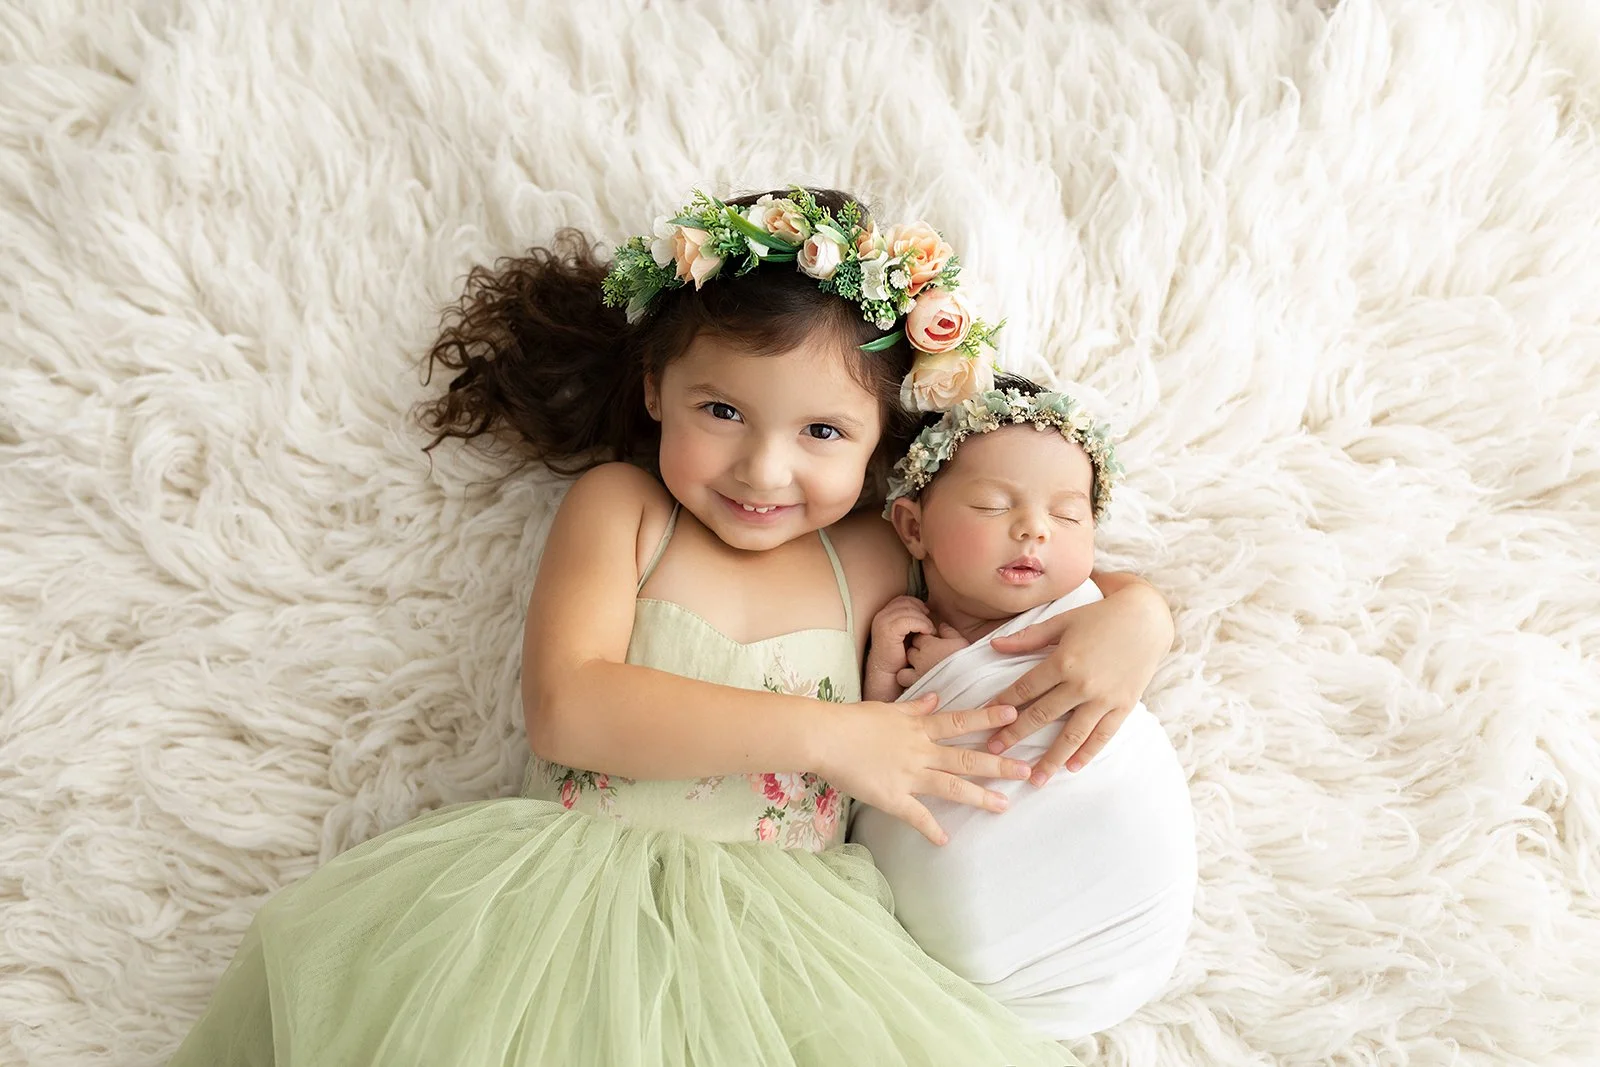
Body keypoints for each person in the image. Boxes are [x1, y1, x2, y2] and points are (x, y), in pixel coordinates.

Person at [169, 186, 1172, 1065]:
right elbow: (570, 706)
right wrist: (836, 736)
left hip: (793, 952)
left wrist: (1138, 615)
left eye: (822, 431)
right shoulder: (626, 510)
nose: (764, 468)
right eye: (722, 411)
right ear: (656, 388)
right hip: (558, 919)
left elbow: (1017, 564)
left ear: (881, 446)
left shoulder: (873, 550)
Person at [850, 374, 1196, 1039]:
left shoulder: (1094, 618)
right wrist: (890, 682)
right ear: (913, 527)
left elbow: (1085, 700)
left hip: (1115, 899)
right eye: (992, 504)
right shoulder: (894, 614)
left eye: (1068, 516)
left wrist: (1137, 610)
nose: (1035, 528)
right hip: (949, 926)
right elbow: (881, 768)